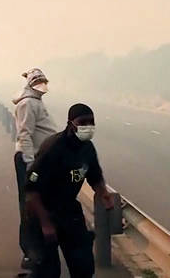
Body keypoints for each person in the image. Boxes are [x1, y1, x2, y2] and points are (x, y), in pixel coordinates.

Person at [24, 103, 114, 278]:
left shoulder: (87, 148)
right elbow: (31, 189)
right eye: (83, 122)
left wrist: (103, 194)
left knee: (83, 266)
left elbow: (95, 176)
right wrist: (46, 223)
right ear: (71, 123)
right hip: (42, 212)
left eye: (91, 122)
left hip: (69, 210)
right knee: (47, 271)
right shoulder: (53, 148)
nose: (88, 126)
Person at [12, 68, 59, 270]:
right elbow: (25, 134)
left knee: (37, 204)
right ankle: (31, 253)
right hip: (29, 160)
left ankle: (37, 250)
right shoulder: (27, 103)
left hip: (39, 158)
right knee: (29, 206)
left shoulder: (36, 101)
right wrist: (31, 163)